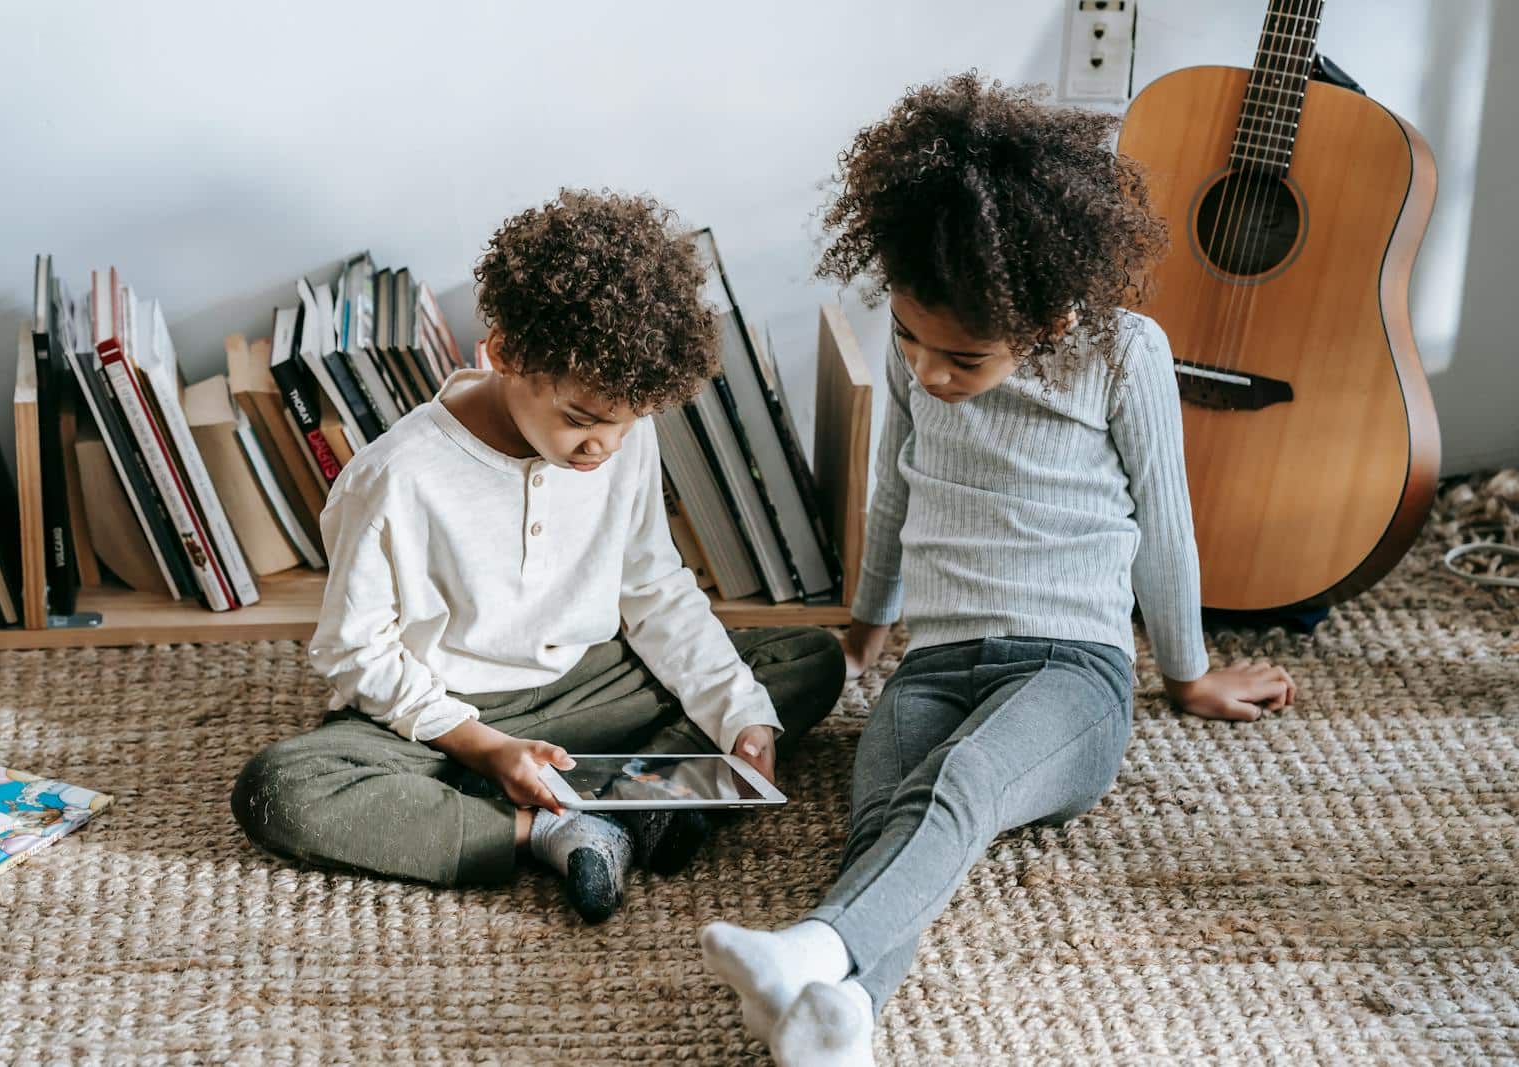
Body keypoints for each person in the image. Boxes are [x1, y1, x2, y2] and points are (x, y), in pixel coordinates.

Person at [700, 74, 1297, 1065]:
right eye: (911, 340)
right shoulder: (918, 341)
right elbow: (895, 486)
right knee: (884, 809)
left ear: (1048, 320)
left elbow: (1164, 520)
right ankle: (845, 1020)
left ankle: (813, 945)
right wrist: (863, 625)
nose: (931, 372)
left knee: (965, 777)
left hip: (1073, 676)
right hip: (934, 663)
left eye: (963, 359)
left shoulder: (1120, 351)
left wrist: (1186, 672)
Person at [232, 190, 844, 923]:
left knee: (807, 659)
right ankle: (557, 823)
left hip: (587, 687)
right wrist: (487, 747)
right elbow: (354, 653)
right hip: (447, 715)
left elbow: (652, 586)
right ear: (506, 353)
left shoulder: (617, 434)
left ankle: (620, 797)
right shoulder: (396, 475)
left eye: (626, 425)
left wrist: (738, 713)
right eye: (583, 422)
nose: (603, 449)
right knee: (281, 788)